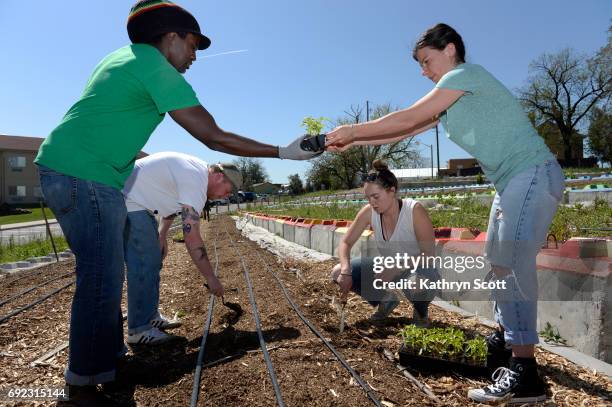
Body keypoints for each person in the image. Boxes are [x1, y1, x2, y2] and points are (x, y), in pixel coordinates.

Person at [34, 1, 319, 403]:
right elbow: (213, 136)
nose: (194, 56)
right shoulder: (154, 66)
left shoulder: (124, 58)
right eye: (191, 44)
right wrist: (283, 152)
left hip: (77, 172)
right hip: (86, 175)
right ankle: (83, 384)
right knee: (100, 278)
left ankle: (109, 360)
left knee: (106, 275)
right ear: (169, 37)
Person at [326, 23, 564, 406]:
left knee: (514, 265)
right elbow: (402, 132)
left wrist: (352, 129)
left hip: (531, 172)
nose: (423, 70)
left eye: (426, 60)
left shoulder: (464, 75)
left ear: (450, 49)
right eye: (420, 64)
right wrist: (352, 139)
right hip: (511, 183)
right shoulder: (451, 100)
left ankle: (526, 373)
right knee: (497, 263)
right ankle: (506, 345)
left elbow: (406, 117)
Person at [122, 152, 240, 345]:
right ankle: (139, 329)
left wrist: (161, 235)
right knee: (144, 266)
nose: (226, 197)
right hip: (129, 201)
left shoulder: (196, 172)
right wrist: (211, 277)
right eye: (228, 191)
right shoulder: (197, 181)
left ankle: (149, 316)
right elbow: (192, 236)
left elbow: (172, 205)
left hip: (138, 202)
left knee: (152, 263)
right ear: (219, 176)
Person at [330, 160, 440, 326]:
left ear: (392, 191)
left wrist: (397, 267)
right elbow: (345, 242)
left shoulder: (414, 211)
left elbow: (429, 255)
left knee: (417, 282)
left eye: (376, 197)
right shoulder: (369, 212)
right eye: (368, 198)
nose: (372, 203)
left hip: (417, 269)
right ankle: (386, 300)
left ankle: (420, 312)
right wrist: (346, 271)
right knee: (337, 272)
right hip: (388, 268)